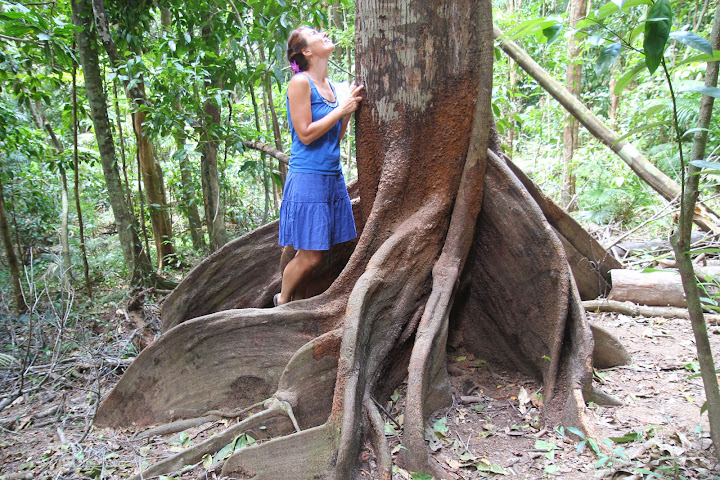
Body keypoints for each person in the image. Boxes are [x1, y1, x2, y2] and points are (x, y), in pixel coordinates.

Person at [274, 26, 364, 306]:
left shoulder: (333, 87)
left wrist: (346, 110)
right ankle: (283, 300)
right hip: (307, 177)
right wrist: (342, 109)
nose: (323, 32)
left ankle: (298, 297)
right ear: (306, 51)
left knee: (319, 253)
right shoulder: (300, 83)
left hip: (331, 177)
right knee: (310, 254)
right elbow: (305, 133)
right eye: (313, 33)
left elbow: (334, 135)